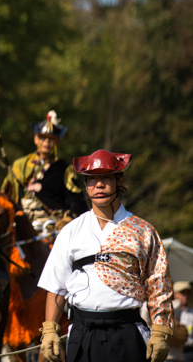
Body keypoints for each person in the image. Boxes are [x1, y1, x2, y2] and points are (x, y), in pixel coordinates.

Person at [38, 149, 174, 362]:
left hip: (128, 334)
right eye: (92, 180)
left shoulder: (143, 231)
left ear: (120, 181)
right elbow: (57, 286)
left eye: (105, 178)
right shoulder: (71, 231)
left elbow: (159, 288)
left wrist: (160, 333)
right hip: (81, 336)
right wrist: (49, 331)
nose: (98, 185)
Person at [1, 110, 87, 230]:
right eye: (43, 138)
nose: (46, 142)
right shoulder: (19, 165)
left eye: (51, 139)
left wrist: (67, 219)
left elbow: (77, 201)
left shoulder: (64, 169)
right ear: (36, 139)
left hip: (51, 225)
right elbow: (4, 196)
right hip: (20, 223)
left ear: (57, 142)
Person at [167, 281, 193, 361]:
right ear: (174, 294)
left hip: (188, 352)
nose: (185, 296)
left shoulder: (191, 313)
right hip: (169, 354)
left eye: (188, 293)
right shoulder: (167, 310)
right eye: (182, 293)